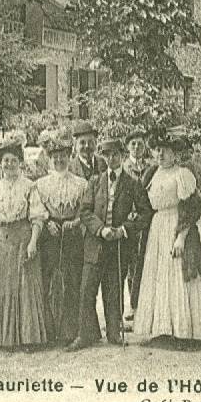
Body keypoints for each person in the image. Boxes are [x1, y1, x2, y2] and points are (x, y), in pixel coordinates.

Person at [70, 138, 155, 350]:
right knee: (87, 289)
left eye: (116, 154)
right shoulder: (95, 182)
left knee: (114, 288)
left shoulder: (132, 183)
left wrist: (124, 229)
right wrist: (101, 229)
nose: (112, 159)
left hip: (118, 246)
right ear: (104, 158)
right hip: (95, 243)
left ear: (122, 156)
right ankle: (86, 334)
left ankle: (114, 332)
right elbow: (85, 211)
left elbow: (145, 213)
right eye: (107, 155)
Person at [133, 132, 201, 344]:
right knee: (158, 276)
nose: (160, 153)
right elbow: (144, 203)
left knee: (177, 275)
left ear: (174, 153)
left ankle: (184, 330)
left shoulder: (182, 174)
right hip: (157, 229)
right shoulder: (151, 174)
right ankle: (162, 328)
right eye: (157, 149)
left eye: (165, 150)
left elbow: (193, 207)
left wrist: (181, 237)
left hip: (175, 225)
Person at [0, 137, 50, 349]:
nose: (9, 164)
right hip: (3, 240)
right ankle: (4, 338)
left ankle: (28, 337)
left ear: (20, 163)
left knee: (25, 286)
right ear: (0, 164)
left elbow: (38, 218)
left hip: (23, 237)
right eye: (5, 161)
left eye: (13, 160)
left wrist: (33, 243)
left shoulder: (29, 186)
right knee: (2, 286)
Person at [34, 133, 89, 346]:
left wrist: (75, 222)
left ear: (69, 156)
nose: (59, 160)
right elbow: (38, 208)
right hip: (50, 234)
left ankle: (69, 331)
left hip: (72, 234)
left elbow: (84, 209)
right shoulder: (41, 184)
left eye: (63, 156)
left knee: (71, 281)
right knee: (47, 281)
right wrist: (47, 222)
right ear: (50, 159)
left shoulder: (80, 184)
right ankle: (48, 332)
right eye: (55, 157)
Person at [122, 129, 155, 323]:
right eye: (133, 144)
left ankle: (146, 304)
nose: (136, 147)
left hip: (148, 219)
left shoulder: (151, 167)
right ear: (128, 147)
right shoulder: (124, 167)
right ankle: (133, 306)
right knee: (132, 264)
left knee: (146, 261)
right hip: (130, 219)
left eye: (140, 144)